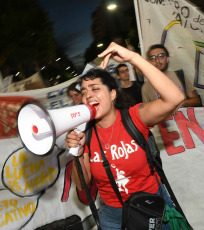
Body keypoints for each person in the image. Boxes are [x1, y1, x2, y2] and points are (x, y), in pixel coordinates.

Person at [65, 43, 185, 229]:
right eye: (84, 92)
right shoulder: (85, 134)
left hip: (152, 207)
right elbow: (82, 185)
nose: (88, 95)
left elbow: (175, 98)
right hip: (113, 217)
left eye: (95, 89)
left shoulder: (134, 117)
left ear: (112, 94)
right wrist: (78, 153)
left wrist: (133, 58)